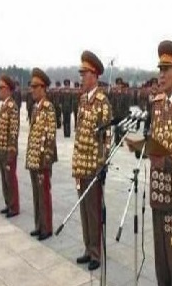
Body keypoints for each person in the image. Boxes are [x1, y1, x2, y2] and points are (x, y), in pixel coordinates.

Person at [129, 40, 172, 286]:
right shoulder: (156, 104)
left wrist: (168, 162)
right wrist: (142, 148)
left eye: (166, 70)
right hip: (157, 189)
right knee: (159, 252)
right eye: (159, 70)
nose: (161, 75)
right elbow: (152, 137)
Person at [72, 50, 112, 271]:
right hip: (80, 164)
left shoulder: (102, 102)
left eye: (85, 73)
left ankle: (97, 252)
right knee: (84, 210)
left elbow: (107, 138)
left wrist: (102, 164)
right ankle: (88, 248)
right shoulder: (82, 100)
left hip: (94, 167)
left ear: (95, 75)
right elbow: (79, 132)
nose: (82, 77)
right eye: (81, 73)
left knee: (94, 210)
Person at [26, 68, 57, 241]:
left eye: (35, 86)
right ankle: (39, 225)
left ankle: (47, 227)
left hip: (42, 159)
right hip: (33, 158)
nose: (32, 89)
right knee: (36, 194)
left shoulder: (48, 108)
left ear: (43, 88)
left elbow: (50, 136)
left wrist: (45, 160)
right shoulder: (36, 108)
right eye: (31, 86)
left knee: (44, 193)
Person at [0, 74, 20, 217]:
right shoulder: (4, 105)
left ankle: (14, 206)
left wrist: (11, 151)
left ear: (9, 89)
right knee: (4, 179)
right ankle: (8, 203)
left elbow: (13, 131)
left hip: (8, 151)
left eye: (1, 87)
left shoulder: (12, 107)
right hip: (1, 149)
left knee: (10, 179)